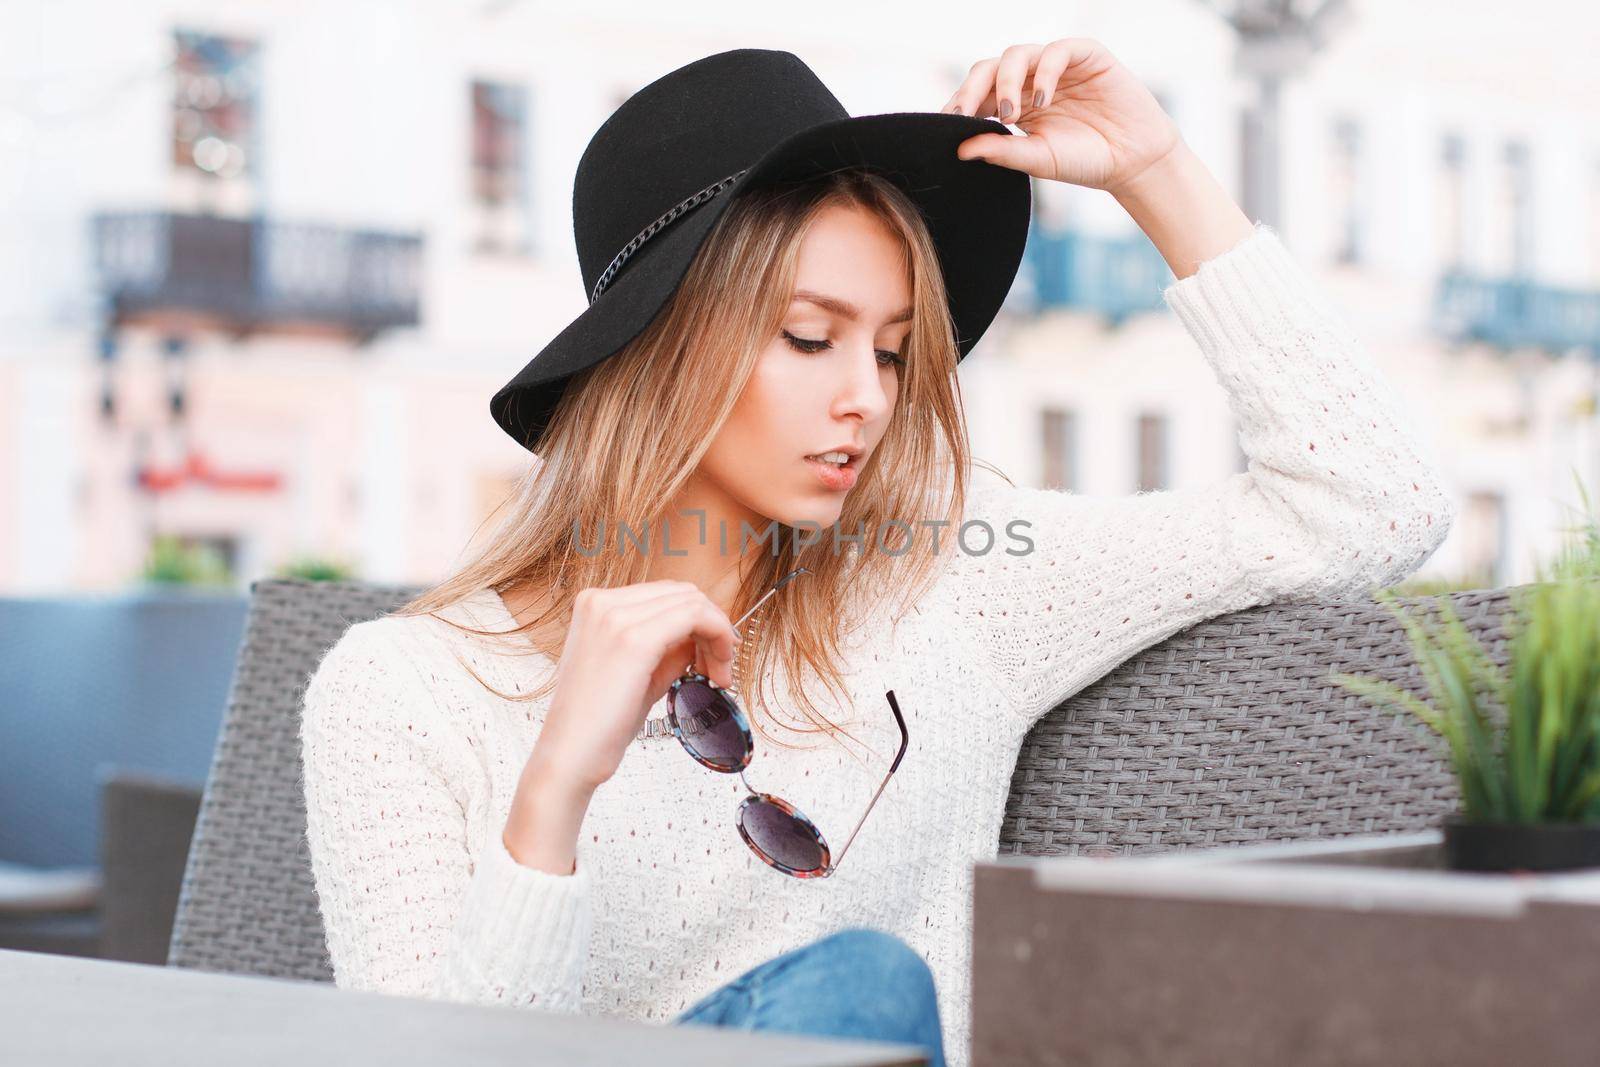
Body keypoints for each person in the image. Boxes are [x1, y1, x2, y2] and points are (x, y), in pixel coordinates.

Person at [298, 41, 1453, 1067]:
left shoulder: (953, 582)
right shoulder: (402, 690)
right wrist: (556, 784)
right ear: (652, 350)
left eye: (895, 353)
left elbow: (1371, 499)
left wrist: (1159, 175)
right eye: (809, 337)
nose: (864, 398)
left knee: (861, 988)